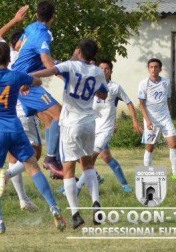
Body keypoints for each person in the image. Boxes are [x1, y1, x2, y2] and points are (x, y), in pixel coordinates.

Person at [0, 22, 66, 236]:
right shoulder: (16, 76)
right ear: (10, 59)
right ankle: (54, 207)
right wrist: (28, 84)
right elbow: (36, 80)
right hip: (15, 129)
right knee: (33, 168)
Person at [31, 39, 108, 229]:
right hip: (89, 122)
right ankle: (96, 203)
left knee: (68, 170)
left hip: (71, 123)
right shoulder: (98, 71)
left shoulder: (71, 65)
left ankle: (75, 214)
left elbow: (50, 70)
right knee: (88, 163)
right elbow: (104, 94)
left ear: (79, 52)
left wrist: (29, 76)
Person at [0, 6, 39, 212]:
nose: (27, 42)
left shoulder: (6, 55)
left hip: (7, 113)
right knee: (36, 152)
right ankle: (9, 175)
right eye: (24, 39)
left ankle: (23, 200)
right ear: (16, 43)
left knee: (14, 157)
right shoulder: (24, 57)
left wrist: (15, 19)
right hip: (24, 109)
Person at [10, 1, 63, 179]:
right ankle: (52, 158)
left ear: (36, 15)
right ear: (54, 16)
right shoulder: (43, 35)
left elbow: (27, 51)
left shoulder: (31, 27)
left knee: (49, 121)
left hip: (20, 80)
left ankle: (56, 162)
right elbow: (47, 62)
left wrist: (60, 63)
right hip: (25, 83)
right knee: (61, 115)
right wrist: (65, 77)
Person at [74, 60, 142, 194]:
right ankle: (119, 183)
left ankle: (76, 188)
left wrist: (135, 121)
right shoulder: (91, 86)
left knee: (91, 158)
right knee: (104, 157)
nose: (104, 71)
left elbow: (129, 102)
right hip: (91, 128)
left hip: (106, 130)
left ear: (111, 72)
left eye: (107, 69)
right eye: (101, 68)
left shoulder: (115, 88)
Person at [138, 58, 176, 184]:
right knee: (150, 147)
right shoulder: (143, 83)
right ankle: (147, 173)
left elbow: (168, 100)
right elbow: (141, 104)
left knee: (173, 144)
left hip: (165, 119)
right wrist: (147, 120)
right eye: (151, 67)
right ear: (148, 69)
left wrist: (169, 115)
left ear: (160, 69)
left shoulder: (166, 82)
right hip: (151, 120)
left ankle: (175, 173)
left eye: (156, 67)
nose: (153, 69)